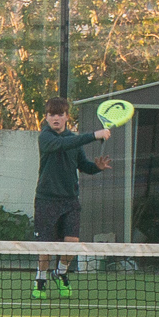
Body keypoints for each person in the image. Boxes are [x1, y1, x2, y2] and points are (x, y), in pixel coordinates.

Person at [31, 99, 111, 296]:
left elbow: (83, 165)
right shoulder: (46, 137)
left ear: (67, 116)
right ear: (46, 117)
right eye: (52, 114)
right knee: (46, 246)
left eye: (60, 114)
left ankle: (60, 273)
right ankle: (40, 279)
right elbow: (62, 144)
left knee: (72, 242)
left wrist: (96, 168)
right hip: (46, 199)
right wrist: (94, 135)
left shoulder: (73, 139)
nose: (56, 118)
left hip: (70, 201)